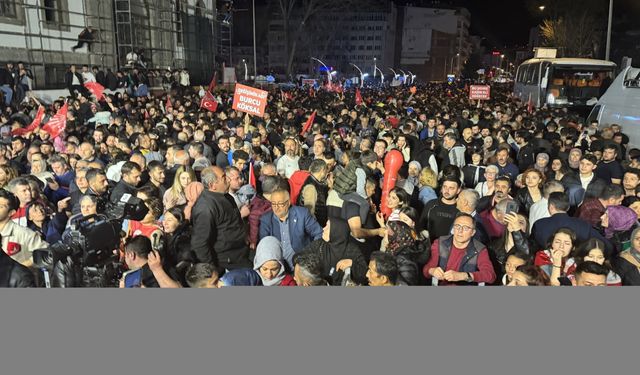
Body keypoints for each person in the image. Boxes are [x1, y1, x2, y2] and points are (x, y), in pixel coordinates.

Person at [190, 166, 251, 271]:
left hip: (242, 252)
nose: (228, 179)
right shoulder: (205, 208)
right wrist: (212, 271)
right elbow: (200, 243)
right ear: (212, 185)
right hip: (227, 262)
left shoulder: (227, 197)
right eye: (223, 177)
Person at [423, 213, 496, 286]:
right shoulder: (440, 243)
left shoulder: (479, 249)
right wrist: (432, 271)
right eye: (457, 226)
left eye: (466, 228)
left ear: (473, 233)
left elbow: (490, 276)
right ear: (453, 228)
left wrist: (464, 276)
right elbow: (426, 269)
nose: (460, 231)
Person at [259, 188, 323, 269]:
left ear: (288, 203)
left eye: (280, 204)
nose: (276, 208)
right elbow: (264, 245)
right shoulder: (266, 219)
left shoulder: (302, 214)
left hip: (300, 264)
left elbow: (319, 233)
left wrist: (311, 253)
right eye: (273, 204)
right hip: (277, 267)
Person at [531, 192, 609, 252]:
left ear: (551, 207)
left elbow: (531, 247)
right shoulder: (582, 224)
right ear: (568, 207)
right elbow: (606, 245)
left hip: (543, 265)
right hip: (573, 267)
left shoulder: (539, 224)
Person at [301, 218, 368, 286]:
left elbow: (366, 275)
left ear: (336, 231)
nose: (323, 229)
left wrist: (352, 263)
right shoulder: (320, 245)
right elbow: (299, 257)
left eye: (327, 226)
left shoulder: (352, 250)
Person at [0, 190, 49, 267]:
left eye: (1, 207)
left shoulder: (23, 233)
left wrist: (22, 266)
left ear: (11, 213)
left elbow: (46, 252)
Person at [417, 176, 460, 242]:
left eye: (451, 188)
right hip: (430, 246)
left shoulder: (460, 209)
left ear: (458, 190)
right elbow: (421, 225)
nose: (447, 190)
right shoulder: (431, 204)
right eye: (445, 186)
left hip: (448, 248)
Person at [298, 159, 330, 227]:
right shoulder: (311, 187)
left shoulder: (315, 182)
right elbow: (309, 212)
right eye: (326, 170)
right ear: (322, 170)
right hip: (315, 227)